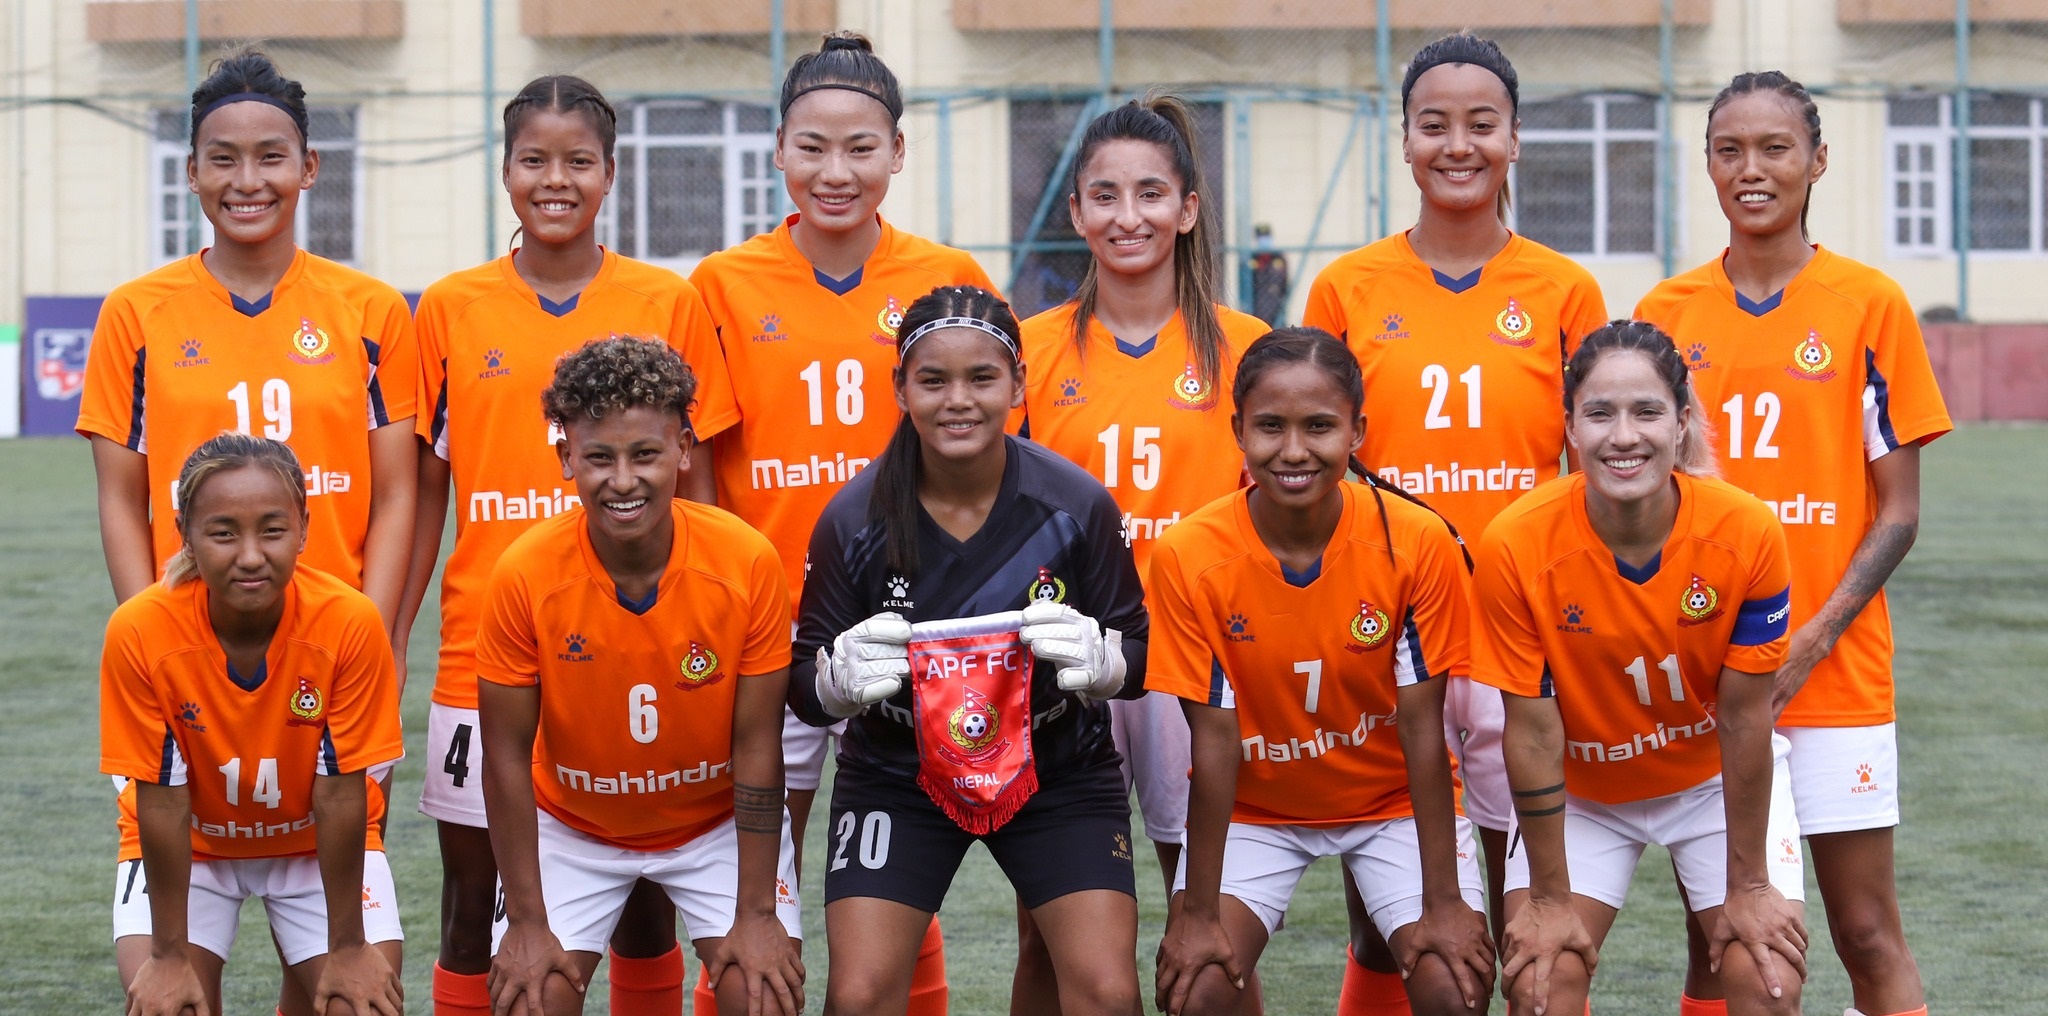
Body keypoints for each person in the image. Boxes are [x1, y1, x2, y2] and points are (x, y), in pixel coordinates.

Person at [75, 49, 418, 1016]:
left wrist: (375, 636)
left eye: (271, 156)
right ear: (191, 172)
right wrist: (159, 635)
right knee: (175, 983)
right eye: (222, 159)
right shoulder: (136, 314)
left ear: (310, 167)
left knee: (344, 977)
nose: (247, 180)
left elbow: (398, 493)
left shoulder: (369, 311)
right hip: (193, 664)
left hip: (330, 662)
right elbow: (120, 493)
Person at [397, 74, 735, 1016]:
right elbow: (425, 495)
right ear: (504, 170)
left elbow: (699, 488)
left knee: (643, 902)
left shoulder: (665, 299)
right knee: (476, 906)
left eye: (578, 161)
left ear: (610, 173)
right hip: (482, 648)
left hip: (640, 642)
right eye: (534, 160)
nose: (556, 180)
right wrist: (393, 632)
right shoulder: (450, 307)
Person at [1300, 32, 1607, 1013]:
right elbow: (1312, 464)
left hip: (1519, 639)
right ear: (1404, 140)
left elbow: (1593, 472)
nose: (1458, 144)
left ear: (1514, 139)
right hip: (1386, 635)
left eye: (1481, 124)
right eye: (1434, 125)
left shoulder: (1564, 289)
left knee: (1525, 915)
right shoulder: (1348, 287)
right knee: (1391, 923)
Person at [688, 32, 996, 1008]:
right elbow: (701, 476)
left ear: (897, 152)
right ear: (778, 148)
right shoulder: (721, 284)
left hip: (914, 629)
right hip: (770, 633)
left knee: (904, 874)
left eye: (861, 147)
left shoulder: (948, 275)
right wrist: (724, 607)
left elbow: (984, 458)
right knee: (750, 887)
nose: (836, 171)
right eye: (812, 146)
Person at [1635, 71, 1951, 1016]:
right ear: (1707, 165)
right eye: (1729, 150)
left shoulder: (1869, 303)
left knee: (1866, 930)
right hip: (1708, 681)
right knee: (1722, 944)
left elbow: (1898, 512)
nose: (1752, 169)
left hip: (1835, 678)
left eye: (1775, 148)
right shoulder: (1666, 313)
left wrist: (1808, 641)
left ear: (1817, 162)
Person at [790, 285, 1148, 1016]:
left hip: (1056, 766)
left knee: (1108, 994)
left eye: (982, 378)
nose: (959, 400)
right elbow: (802, 685)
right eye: (933, 380)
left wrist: (1107, 664)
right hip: (898, 771)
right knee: (857, 997)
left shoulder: (1076, 505)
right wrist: (832, 683)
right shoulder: (853, 518)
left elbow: (1139, 655)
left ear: (1018, 385)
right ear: (900, 388)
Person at [1009, 91, 1272, 1013]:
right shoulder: (1030, 350)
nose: (1129, 216)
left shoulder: (1246, 348)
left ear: (1188, 208)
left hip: (1192, 663)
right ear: (1075, 211)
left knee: (1211, 929)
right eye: (1106, 195)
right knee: (1045, 935)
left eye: (1151, 193)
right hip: (1060, 663)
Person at [1150, 328, 1494, 1016]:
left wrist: (1444, 902)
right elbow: (1213, 743)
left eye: (1319, 426)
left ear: (1357, 431)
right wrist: (1196, 915)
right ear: (1238, 430)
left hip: (1390, 803)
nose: (1293, 450)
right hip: (1256, 809)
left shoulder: (1416, 541)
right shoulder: (1188, 554)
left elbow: (1424, 732)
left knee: (1454, 987)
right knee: (1197, 991)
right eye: (1270, 426)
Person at [1474, 321, 1807, 1016]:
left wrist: (1750, 887)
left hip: (1709, 782)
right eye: (1600, 414)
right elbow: (1531, 734)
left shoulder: (1747, 531)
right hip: (1583, 793)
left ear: (1682, 422)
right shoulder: (1514, 543)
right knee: (1540, 986)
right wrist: (1548, 900)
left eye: (1647, 412)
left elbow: (1746, 717)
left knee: (1767, 979)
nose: (1623, 436)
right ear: (1570, 426)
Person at [477, 336, 802, 1016]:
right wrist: (528, 923)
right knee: (531, 998)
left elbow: (757, 746)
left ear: (683, 449)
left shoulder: (744, 561)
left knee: (762, 996)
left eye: (645, 454)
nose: (623, 481)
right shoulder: (524, 574)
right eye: (599, 457)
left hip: (712, 824)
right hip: (573, 826)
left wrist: (756, 913)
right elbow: (504, 755)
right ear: (566, 458)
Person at [99, 433, 406, 1016]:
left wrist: (348, 946)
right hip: (192, 849)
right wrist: (168, 955)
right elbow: (162, 802)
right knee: (169, 1007)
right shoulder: (140, 630)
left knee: (359, 1003)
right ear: (185, 532)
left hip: (313, 845)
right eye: (223, 533)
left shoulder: (349, 621)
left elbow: (342, 795)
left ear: (304, 529)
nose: (249, 556)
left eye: (272, 530)